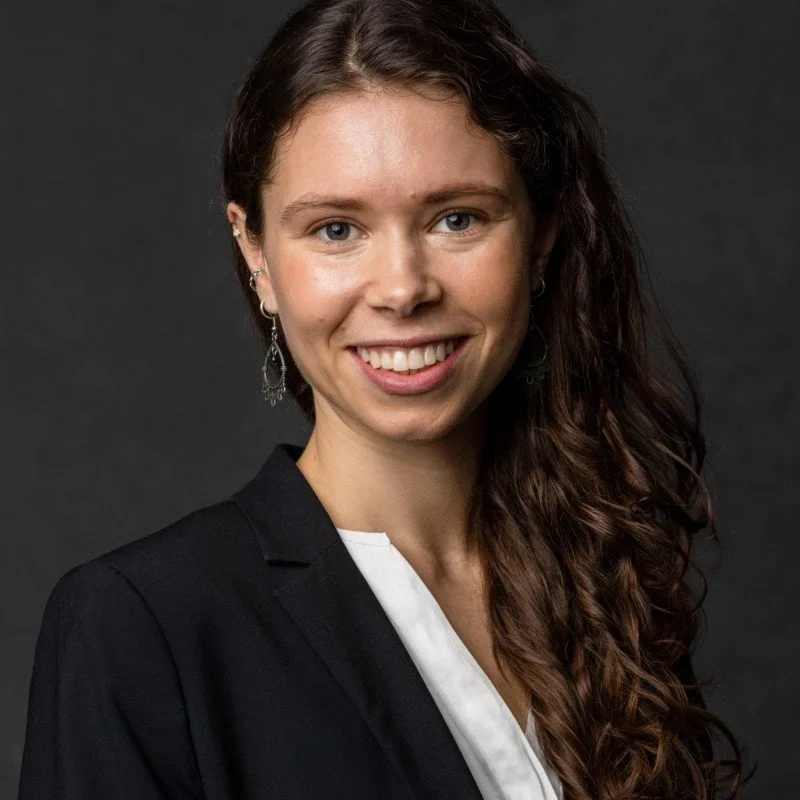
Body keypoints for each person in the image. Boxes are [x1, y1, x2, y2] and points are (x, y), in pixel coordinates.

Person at [18, 0, 754, 798]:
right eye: (337, 229)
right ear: (256, 253)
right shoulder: (141, 625)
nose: (403, 289)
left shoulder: (611, 582)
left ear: (539, 238)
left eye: (457, 218)